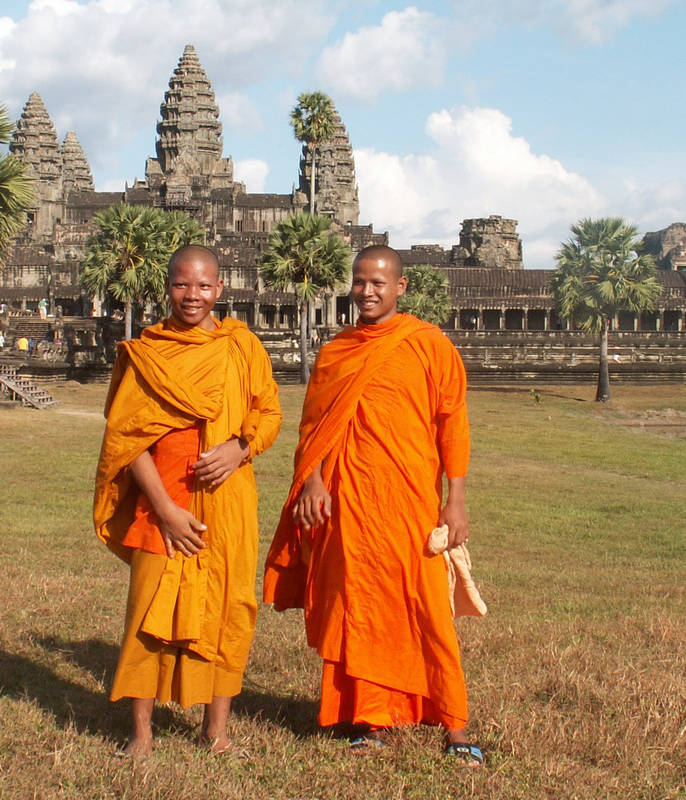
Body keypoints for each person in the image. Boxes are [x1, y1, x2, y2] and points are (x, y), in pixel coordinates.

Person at [264, 245, 482, 765]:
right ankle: (368, 717)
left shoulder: (429, 346)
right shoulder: (337, 351)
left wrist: (456, 500)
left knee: (425, 606)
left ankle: (454, 723)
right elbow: (314, 426)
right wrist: (313, 480)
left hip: (410, 501)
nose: (367, 291)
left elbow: (452, 423)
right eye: (359, 282)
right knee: (358, 603)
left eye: (379, 283)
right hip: (349, 501)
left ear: (400, 288)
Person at [94, 244, 282, 757]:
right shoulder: (147, 353)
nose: (192, 296)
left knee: (229, 608)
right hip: (163, 502)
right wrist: (168, 510)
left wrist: (240, 447)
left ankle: (215, 730)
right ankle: (142, 733)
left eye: (203, 286)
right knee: (147, 612)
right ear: (167, 288)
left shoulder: (242, 346)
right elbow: (127, 440)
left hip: (229, 502)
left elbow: (269, 413)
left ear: (220, 289)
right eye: (181, 284)